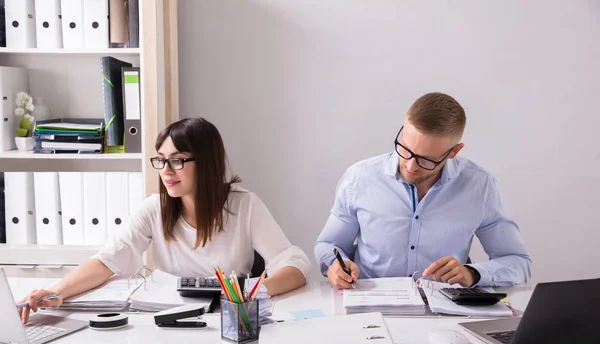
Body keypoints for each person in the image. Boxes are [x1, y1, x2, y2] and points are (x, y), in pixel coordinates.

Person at [19, 117, 310, 323]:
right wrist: (55, 292)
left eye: (178, 159)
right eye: (161, 159)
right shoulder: (154, 209)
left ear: (207, 164)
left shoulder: (244, 205)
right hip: (170, 323)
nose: (166, 170)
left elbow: (295, 265)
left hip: (228, 322)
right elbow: (107, 261)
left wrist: (244, 294)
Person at [315, 92, 531, 289]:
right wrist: (336, 266)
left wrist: (473, 274)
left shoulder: (481, 187)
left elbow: (518, 262)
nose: (410, 166)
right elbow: (329, 244)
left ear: (454, 151)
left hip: (445, 312)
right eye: (405, 149)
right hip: (370, 308)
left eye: (426, 160)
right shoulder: (359, 179)